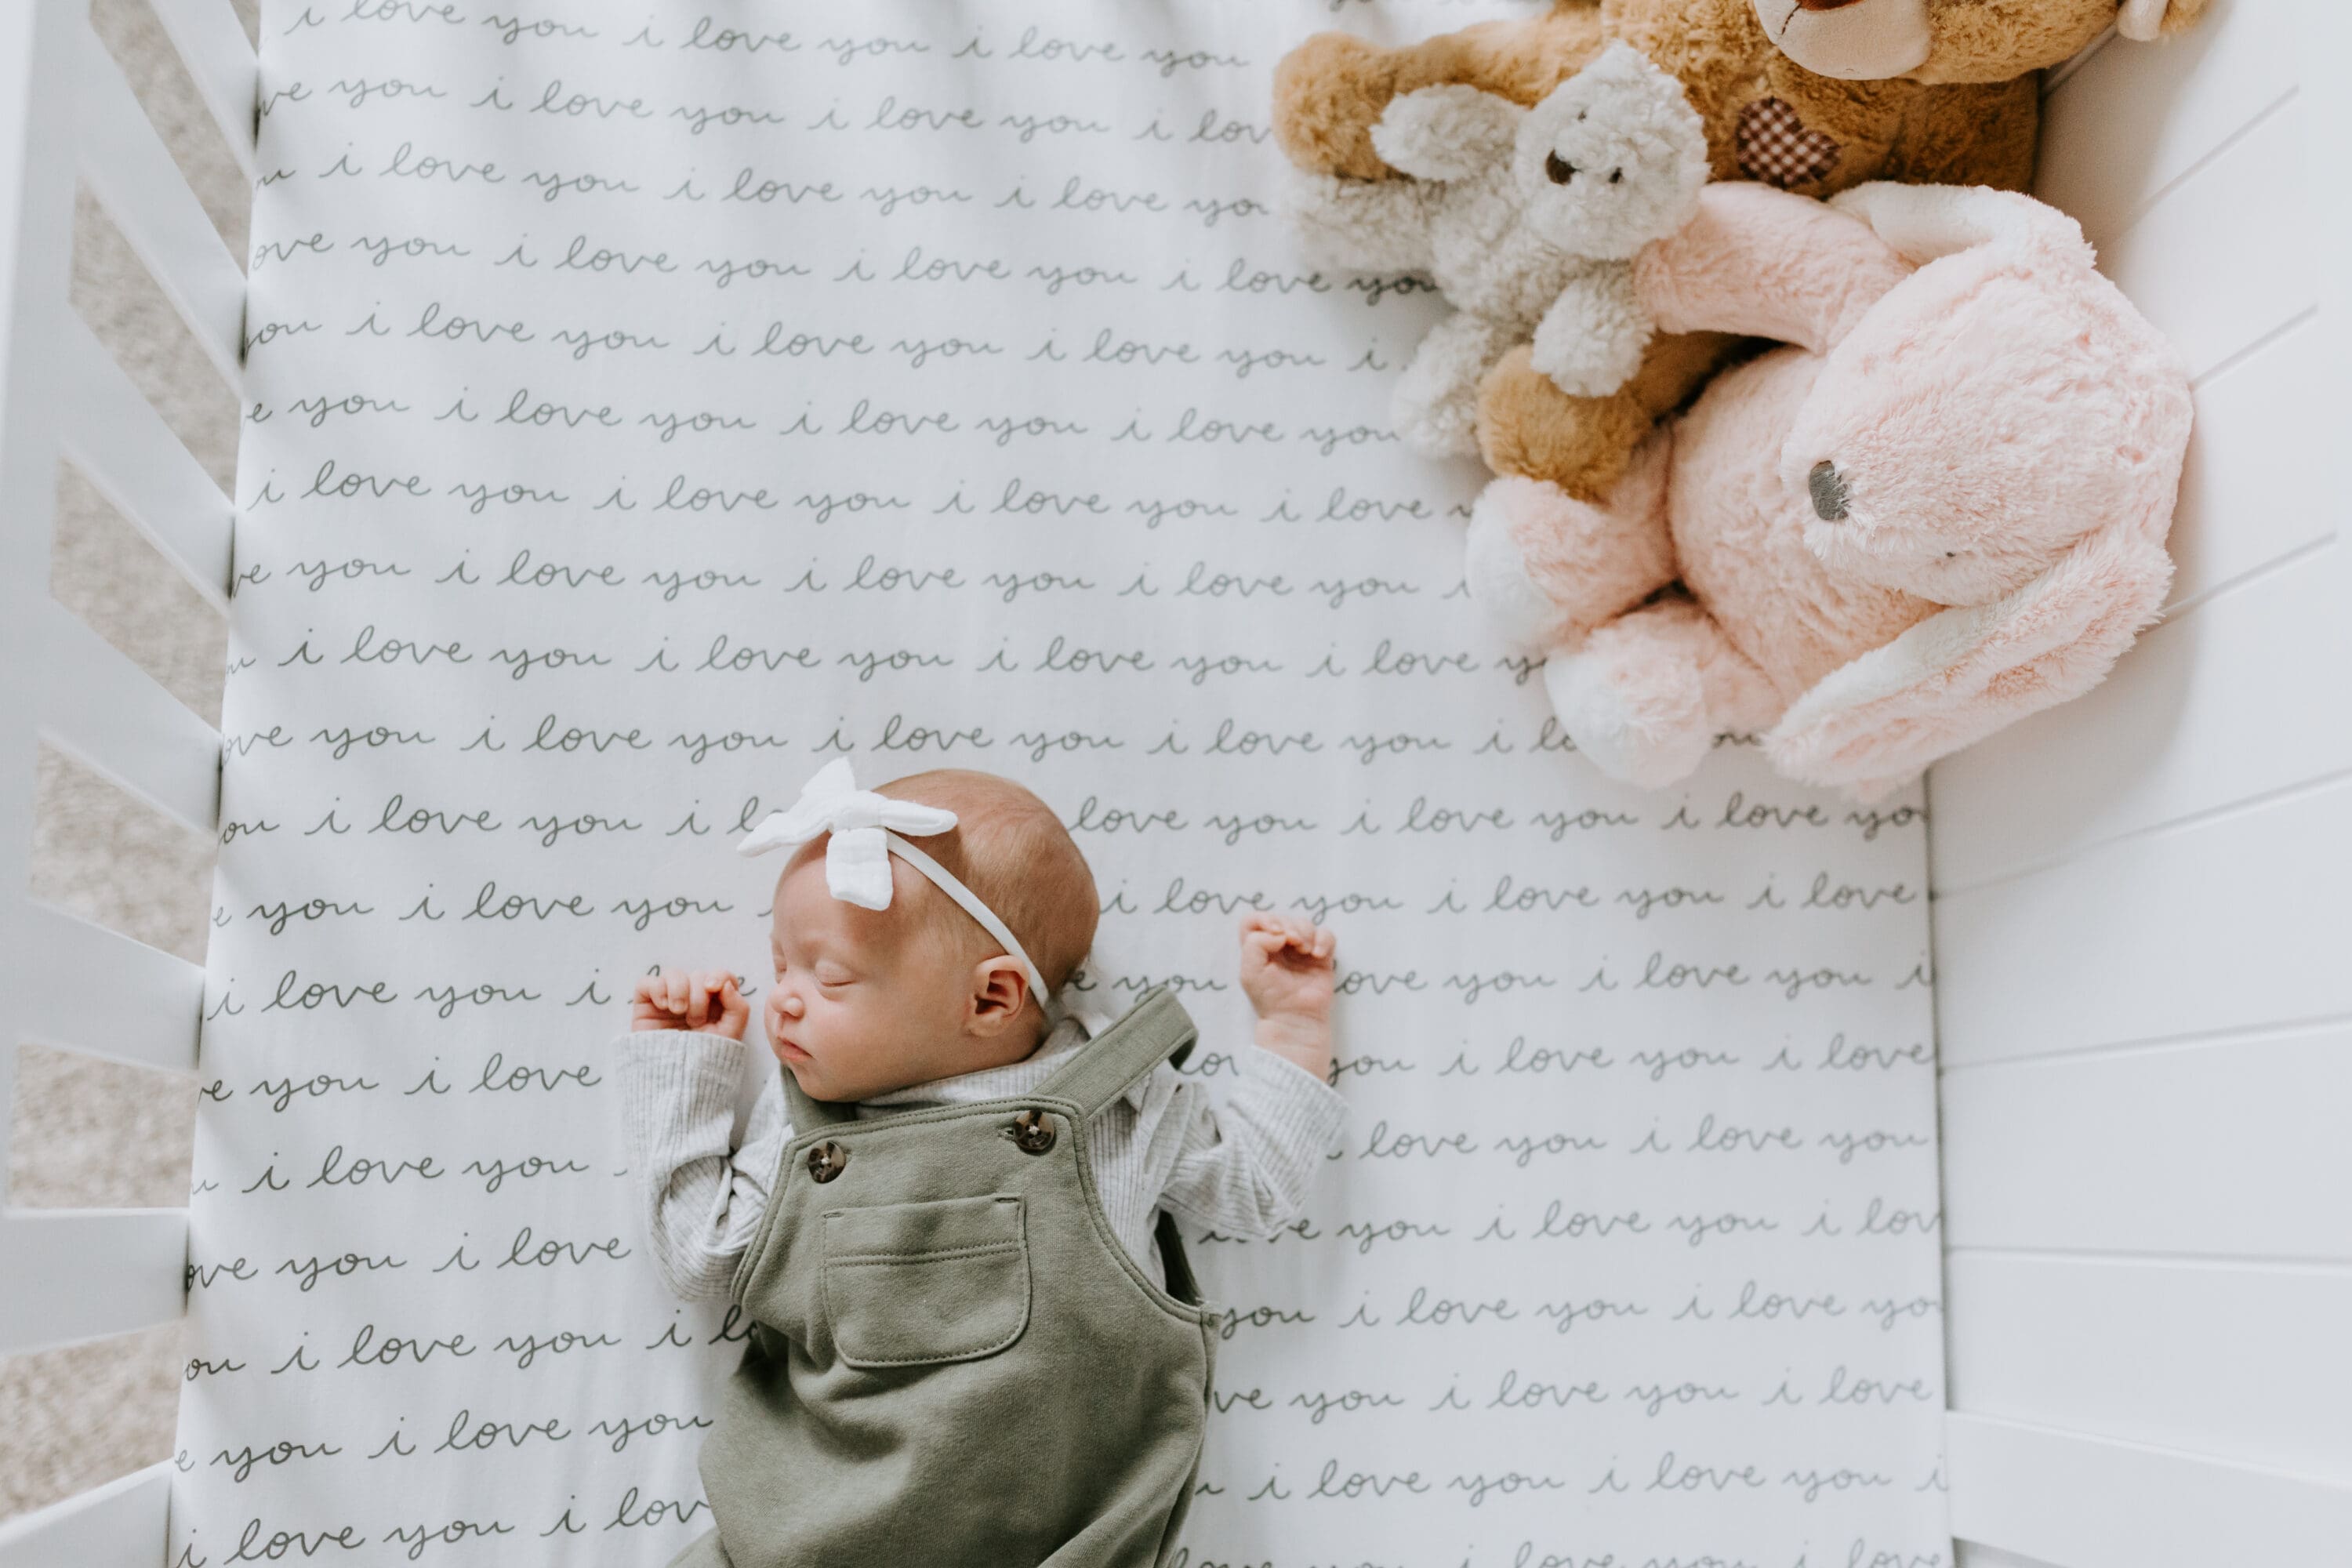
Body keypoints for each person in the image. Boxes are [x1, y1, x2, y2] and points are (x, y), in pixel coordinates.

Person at [620, 758, 1345, 1566]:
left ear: (992, 998)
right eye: (781, 962)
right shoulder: (803, 1127)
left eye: (829, 976)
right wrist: (687, 1070)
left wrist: (1291, 1030)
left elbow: (1253, 1185)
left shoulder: (1117, 1101)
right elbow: (702, 1254)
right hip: (803, 1538)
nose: (783, 998)